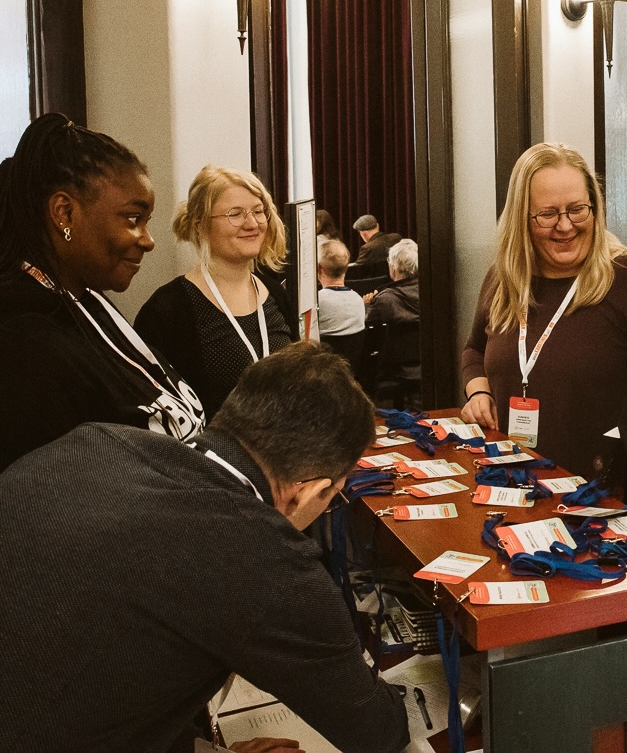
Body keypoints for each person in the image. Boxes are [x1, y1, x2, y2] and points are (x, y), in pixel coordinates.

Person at [0, 339, 409, 753]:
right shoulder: (267, 563)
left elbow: (89, 654)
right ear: (307, 492)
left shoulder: (96, 438)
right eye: (333, 495)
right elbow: (379, 734)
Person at [460, 142, 627, 489]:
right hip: (512, 487)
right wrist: (478, 392)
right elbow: (474, 350)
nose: (566, 226)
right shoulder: (504, 278)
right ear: (521, 218)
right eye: (548, 214)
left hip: (606, 506)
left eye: (578, 210)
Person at [0, 113, 204, 472]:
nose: (148, 240)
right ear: (64, 212)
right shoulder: (23, 345)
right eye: (132, 219)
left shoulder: (87, 301)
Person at [135, 165, 297, 419]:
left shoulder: (276, 294)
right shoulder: (167, 310)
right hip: (208, 457)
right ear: (200, 225)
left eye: (258, 211)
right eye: (235, 214)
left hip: (283, 451)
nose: (252, 223)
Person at [365, 238, 421, 402]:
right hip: (428, 365)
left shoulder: (384, 300)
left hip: (393, 370)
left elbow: (368, 331)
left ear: (394, 268)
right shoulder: (432, 292)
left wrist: (367, 306)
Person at [317, 237, 366, 361]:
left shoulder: (316, 302)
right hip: (351, 373)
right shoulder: (358, 300)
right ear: (346, 267)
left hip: (322, 372)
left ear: (319, 268)